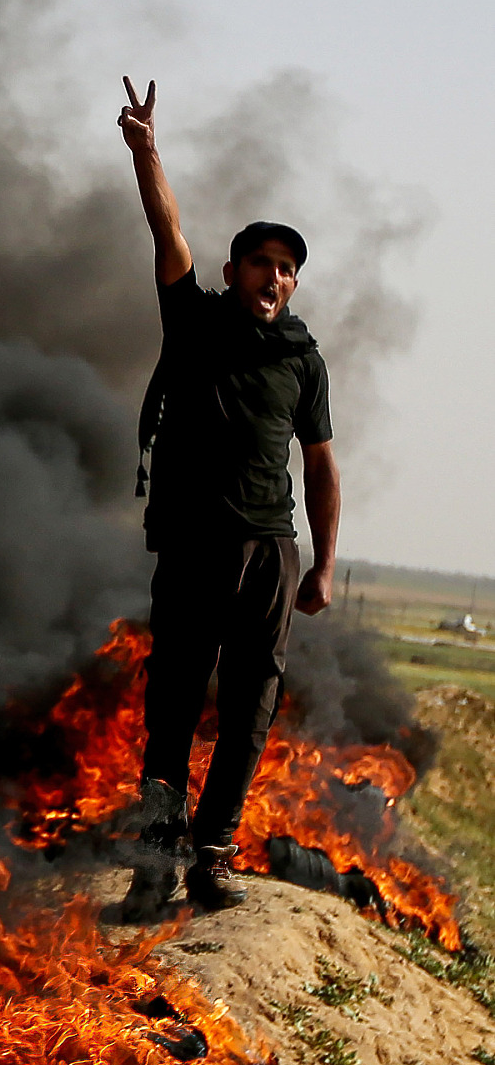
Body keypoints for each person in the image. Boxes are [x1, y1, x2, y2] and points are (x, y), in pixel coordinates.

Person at [117, 77, 339, 914]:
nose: (275, 277)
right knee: (174, 699)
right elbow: (164, 228)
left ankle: (212, 853)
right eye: (262, 263)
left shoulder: (303, 359)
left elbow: (319, 463)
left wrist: (321, 564)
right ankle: (155, 854)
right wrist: (147, 154)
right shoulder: (196, 321)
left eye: (287, 268)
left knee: (252, 711)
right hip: (194, 543)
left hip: (270, 553)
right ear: (232, 270)